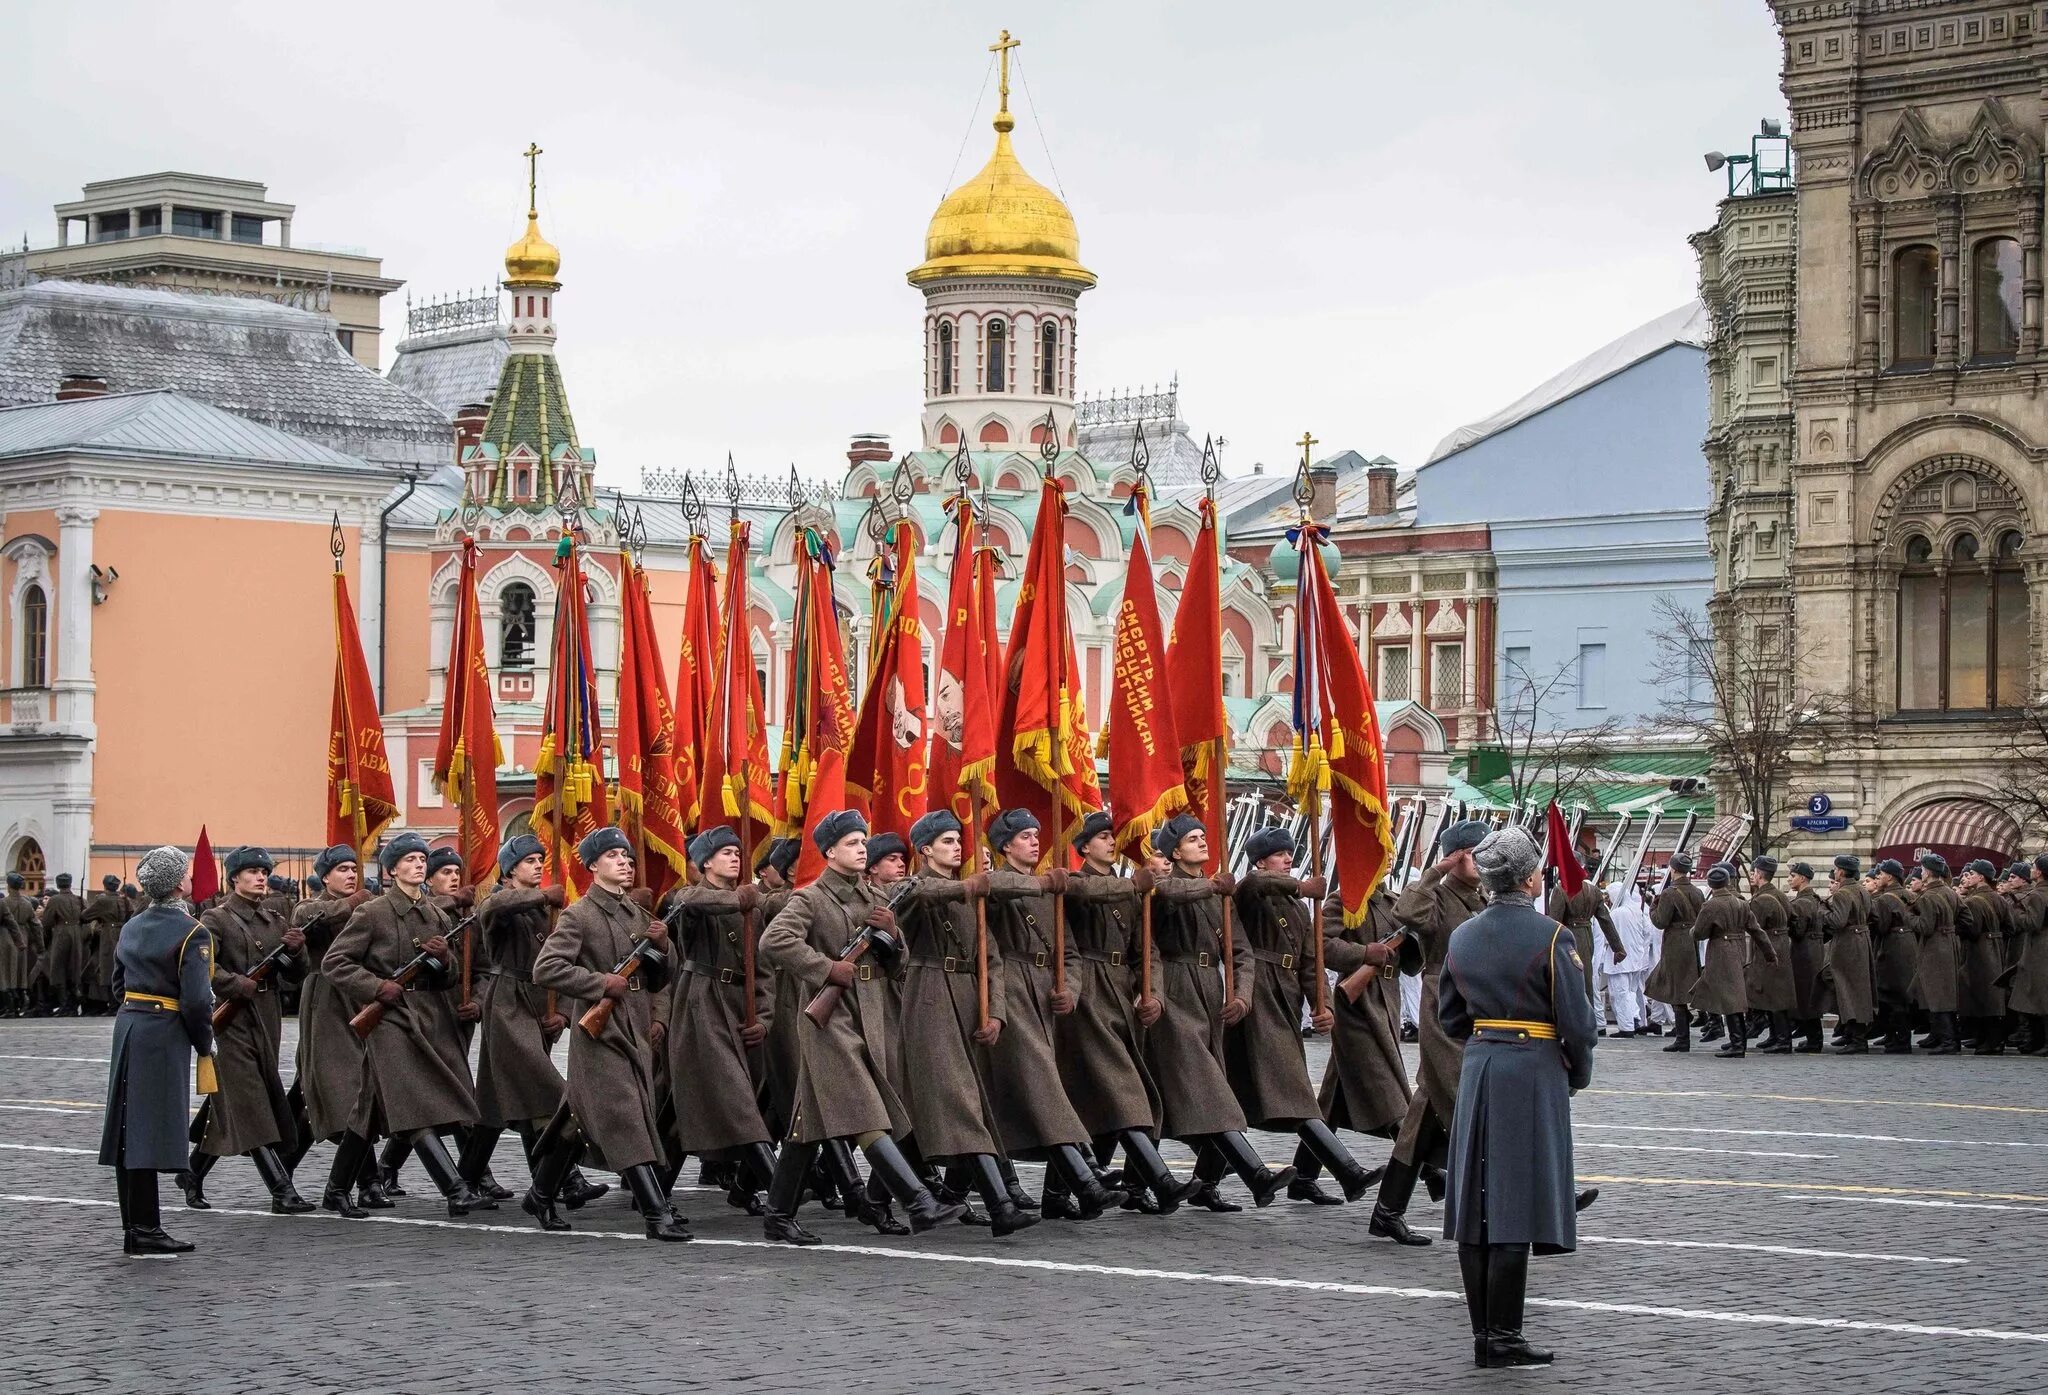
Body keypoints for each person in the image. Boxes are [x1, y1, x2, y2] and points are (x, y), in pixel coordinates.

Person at [758, 809, 964, 1243]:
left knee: (805, 1126)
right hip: (828, 1018)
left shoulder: (874, 896)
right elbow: (774, 942)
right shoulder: (810, 898)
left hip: (869, 1014)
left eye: (862, 841)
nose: (861, 848)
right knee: (867, 1110)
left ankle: (777, 1214)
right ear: (829, 852)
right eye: (852, 843)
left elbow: (898, 963)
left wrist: (891, 939)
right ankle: (917, 1201)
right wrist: (826, 968)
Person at [1438, 824, 1596, 1369]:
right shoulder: (1552, 936)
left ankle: (1485, 1333)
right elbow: (1577, 1023)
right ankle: (1504, 1336)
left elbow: (1449, 1017)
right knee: (1513, 1201)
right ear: (1530, 877)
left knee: (1476, 1201)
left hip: (1480, 1065)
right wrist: (1577, 1074)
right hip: (1532, 1069)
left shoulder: (1462, 935)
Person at [890, 809, 1044, 1236]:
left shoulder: (970, 895)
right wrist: (966, 886)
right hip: (930, 998)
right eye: (946, 842)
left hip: (966, 997)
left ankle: (887, 1197)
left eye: (959, 841)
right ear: (924, 850)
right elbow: (911, 896)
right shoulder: (915, 886)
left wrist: (995, 1012)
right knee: (959, 1101)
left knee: (968, 1103)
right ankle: (1000, 1207)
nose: (957, 848)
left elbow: (991, 960)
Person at [321, 831, 489, 1218]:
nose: (418, 865)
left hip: (428, 1018)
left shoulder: (435, 914)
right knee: (415, 1102)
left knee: (368, 1109)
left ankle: (336, 1189)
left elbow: (448, 979)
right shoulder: (373, 912)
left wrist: (444, 960)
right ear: (391, 868)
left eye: (421, 860)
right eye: (409, 860)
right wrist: (377, 986)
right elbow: (336, 963)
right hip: (388, 1019)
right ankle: (456, 1188)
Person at [528, 827, 682, 1239]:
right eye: (614, 856)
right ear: (593, 865)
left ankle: (541, 1195)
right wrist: (600, 982)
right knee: (625, 1115)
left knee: (576, 1122)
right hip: (600, 1031)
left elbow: (660, 978)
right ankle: (656, 1214)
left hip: (634, 1025)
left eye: (628, 857)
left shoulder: (638, 914)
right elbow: (546, 968)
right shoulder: (580, 915)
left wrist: (664, 947)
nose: (625, 862)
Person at [1145, 812, 1297, 1210]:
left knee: (1176, 1096)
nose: (1201, 842)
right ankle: (1256, 1173)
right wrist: (1210, 886)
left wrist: (1241, 995)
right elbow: (1170, 896)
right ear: (1174, 851)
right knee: (1209, 1090)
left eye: (1202, 836)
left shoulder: (1219, 893)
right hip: (1175, 990)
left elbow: (1241, 951)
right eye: (1192, 839)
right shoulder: (1165, 883)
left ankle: (1168, 1185)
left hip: (1209, 993)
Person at [981, 807, 1119, 1221]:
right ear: (1005, 846)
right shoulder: (999, 883)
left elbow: (1070, 952)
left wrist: (1070, 989)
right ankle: (1085, 1179)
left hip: (1047, 996)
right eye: (1024, 836)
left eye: (1036, 833)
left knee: (1041, 1091)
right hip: (1012, 990)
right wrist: (1040, 883)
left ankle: (1058, 1188)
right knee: (1043, 1086)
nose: (1035, 841)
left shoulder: (1051, 889)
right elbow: (995, 885)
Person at [1228, 825, 1378, 1203]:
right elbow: (1254, 885)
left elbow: (1312, 961)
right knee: (1293, 1090)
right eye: (1279, 854)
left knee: (1232, 1097)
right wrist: (1301, 887)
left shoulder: (1298, 908)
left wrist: (1321, 1005)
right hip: (1258, 992)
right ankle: (1348, 1171)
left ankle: (1210, 1182)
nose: (1288, 860)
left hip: (1287, 995)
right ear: (1260, 860)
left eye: (1289, 854)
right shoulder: (1252, 892)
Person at [650, 828, 787, 1231]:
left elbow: (762, 971)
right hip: (700, 1005)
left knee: (680, 1110)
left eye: (737, 853)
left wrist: (763, 1018)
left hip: (738, 1006)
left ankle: (653, 1195)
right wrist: (738, 900)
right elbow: (686, 900)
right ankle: (783, 1203)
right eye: (725, 853)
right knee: (738, 1103)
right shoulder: (691, 899)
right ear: (704, 862)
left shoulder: (753, 905)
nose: (734, 859)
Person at [1369, 818, 1489, 1245]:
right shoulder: (1437, 894)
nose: (1480, 861)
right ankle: (1521, 1199)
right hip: (1444, 1006)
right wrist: (1436, 870)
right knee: (1471, 1105)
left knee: (1423, 1115)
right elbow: (1406, 912)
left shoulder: (1480, 896)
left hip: (1476, 1007)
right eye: (1473, 853)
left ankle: (1387, 1212)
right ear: (1455, 856)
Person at [1057, 809, 1182, 1214]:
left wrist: (1154, 995)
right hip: (1089, 991)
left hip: (1122, 994)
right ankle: (1159, 1180)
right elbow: (1084, 895)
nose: (1112, 842)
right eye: (1104, 836)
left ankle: (1058, 1194)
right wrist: (1133, 885)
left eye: (1115, 835)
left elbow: (1148, 953)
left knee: (1098, 1097)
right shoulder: (1076, 882)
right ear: (1083, 847)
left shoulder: (1132, 889)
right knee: (1124, 1090)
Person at [475, 833, 602, 1226]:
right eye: (528, 861)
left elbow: (566, 962)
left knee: (522, 1103)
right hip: (508, 1003)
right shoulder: (507, 904)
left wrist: (562, 1012)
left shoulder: (550, 910)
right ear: (510, 868)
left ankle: (466, 1179)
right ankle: (566, 1179)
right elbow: (493, 907)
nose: (536, 866)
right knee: (550, 1092)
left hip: (539, 1001)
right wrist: (545, 896)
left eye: (539, 860)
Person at [179, 846, 314, 1214]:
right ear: (234, 877)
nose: (260, 877)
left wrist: (298, 950)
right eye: (252, 871)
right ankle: (282, 1191)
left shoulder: (274, 919)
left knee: (234, 1101)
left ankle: (192, 1172)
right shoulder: (216, 918)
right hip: (230, 1021)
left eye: (263, 871)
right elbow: (201, 967)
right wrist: (234, 984)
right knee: (252, 1103)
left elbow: (296, 974)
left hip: (265, 1018)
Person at [99, 845, 214, 1256]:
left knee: (128, 1130)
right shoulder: (191, 931)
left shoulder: (132, 925)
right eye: (185, 871)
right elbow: (198, 1001)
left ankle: (135, 1225)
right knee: (146, 1131)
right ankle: (146, 1229)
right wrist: (204, 1042)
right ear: (177, 883)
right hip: (164, 1032)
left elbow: (116, 984)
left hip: (130, 1026)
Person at [290, 845, 380, 1208]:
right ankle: (365, 1181)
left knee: (325, 1092)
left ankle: (282, 1172)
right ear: (324, 876)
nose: (349, 875)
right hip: (325, 1000)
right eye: (341, 869)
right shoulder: (308, 906)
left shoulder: (367, 906)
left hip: (359, 997)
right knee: (346, 1087)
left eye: (353, 869)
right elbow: (310, 918)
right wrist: (353, 902)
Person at [1307, 880, 1408, 1192]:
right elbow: (1319, 943)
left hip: (1386, 998)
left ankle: (1303, 1176)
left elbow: (1413, 958)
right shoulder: (1345, 899)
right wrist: (1365, 953)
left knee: (1333, 1100)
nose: (1387, 856)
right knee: (1389, 1090)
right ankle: (1431, 1170)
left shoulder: (1394, 900)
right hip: (1357, 1005)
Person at [1690, 863, 1776, 1058]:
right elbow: (1756, 930)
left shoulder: (1711, 905)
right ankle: (1736, 1040)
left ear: (1711, 884)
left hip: (1721, 951)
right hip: (1738, 949)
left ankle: (1738, 1043)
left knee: (1730, 997)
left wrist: (1691, 931)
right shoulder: (1741, 903)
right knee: (1732, 995)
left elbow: (1700, 933)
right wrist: (1770, 953)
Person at [1543, 861, 1624, 1033]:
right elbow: (1605, 920)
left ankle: (1569, 1023)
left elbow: (1554, 921)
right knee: (1586, 980)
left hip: (1566, 938)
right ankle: (1588, 1022)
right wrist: (1618, 947)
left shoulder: (1561, 890)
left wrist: (1545, 946)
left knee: (1565, 980)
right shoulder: (1593, 890)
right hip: (1587, 937)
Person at [1645, 855, 1705, 1052]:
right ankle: (1684, 1030)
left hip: (1676, 943)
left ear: (1673, 869)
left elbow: (1660, 921)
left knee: (1677, 989)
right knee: (1683, 986)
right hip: (1692, 940)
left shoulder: (1670, 893)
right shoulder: (1697, 892)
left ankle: (1682, 1038)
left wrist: (1653, 906)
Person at [1820, 856, 1877, 1053]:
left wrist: (1823, 912)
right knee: (1858, 990)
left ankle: (1857, 1039)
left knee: (1848, 990)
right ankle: (1854, 1034)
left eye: (1836, 869)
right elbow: (1873, 915)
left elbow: (1837, 922)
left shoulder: (1843, 893)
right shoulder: (1862, 890)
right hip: (1862, 941)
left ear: (1842, 872)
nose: (1834, 872)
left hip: (1847, 945)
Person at [1907, 854, 1963, 1053]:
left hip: (1934, 948)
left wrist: (1909, 917)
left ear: (1929, 872)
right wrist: (1951, 930)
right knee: (1941, 992)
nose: (1921, 873)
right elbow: (1966, 918)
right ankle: (1943, 1037)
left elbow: (1925, 926)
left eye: (1922, 870)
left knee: (1938, 993)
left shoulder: (1929, 896)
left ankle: (1949, 1041)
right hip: (1948, 944)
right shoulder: (1950, 892)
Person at [1955, 860, 2009, 1055]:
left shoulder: (1972, 901)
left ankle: (1989, 1041)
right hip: (1996, 948)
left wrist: (1958, 929)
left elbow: (1972, 929)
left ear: (1980, 877)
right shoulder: (1999, 898)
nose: (1966, 878)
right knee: (1993, 995)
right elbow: (2010, 926)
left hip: (1978, 951)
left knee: (1980, 994)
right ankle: (1991, 1040)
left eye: (1971, 874)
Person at [1744, 857, 1796, 1053]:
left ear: (1759, 873)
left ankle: (1783, 1040)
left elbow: (1754, 927)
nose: (1751, 875)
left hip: (1769, 948)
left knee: (1774, 994)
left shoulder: (1761, 899)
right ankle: (1775, 1036)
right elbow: (1793, 917)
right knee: (1773, 992)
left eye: (1753, 872)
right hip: (1781, 945)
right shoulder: (1779, 894)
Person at [1783, 863, 1829, 1052]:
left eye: (1792, 875)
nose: (1789, 879)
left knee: (1805, 994)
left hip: (1804, 952)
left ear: (1802, 878)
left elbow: (1798, 930)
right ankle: (1813, 1037)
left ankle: (1814, 1040)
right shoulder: (1817, 900)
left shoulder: (1801, 903)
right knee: (1812, 994)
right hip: (1816, 949)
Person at [40, 871, 86, 1016]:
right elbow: (84, 917)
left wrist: (46, 937)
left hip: (61, 933)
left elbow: (47, 922)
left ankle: (66, 1003)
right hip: (76, 933)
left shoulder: (55, 900)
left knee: (59, 968)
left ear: (59, 884)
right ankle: (72, 1003)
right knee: (74, 967)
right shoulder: (78, 899)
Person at [83, 873, 127, 1014]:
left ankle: (113, 1005)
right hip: (122, 933)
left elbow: (85, 916)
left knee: (108, 968)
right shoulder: (123, 900)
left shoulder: (103, 901)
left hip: (108, 935)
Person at [0, 871, 31, 1017]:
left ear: (8, 886)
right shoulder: (27, 903)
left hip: (5, 938)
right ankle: (20, 1001)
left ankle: (10, 1006)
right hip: (23, 937)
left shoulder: (3, 902)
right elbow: (36, 925)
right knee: (19, 974)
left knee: (5, 973)